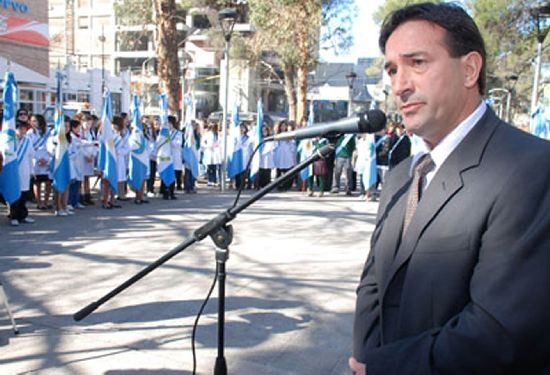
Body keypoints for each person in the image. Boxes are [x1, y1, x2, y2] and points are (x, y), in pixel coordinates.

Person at [349, 3, 550, 375]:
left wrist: (383, 368)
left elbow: (500, 333)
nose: (399, 84)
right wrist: (365, 359)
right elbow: (373, 289)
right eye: (392, 69)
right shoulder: (399, 177)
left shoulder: (531, 169)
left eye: (417, 63)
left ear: (470, 69)